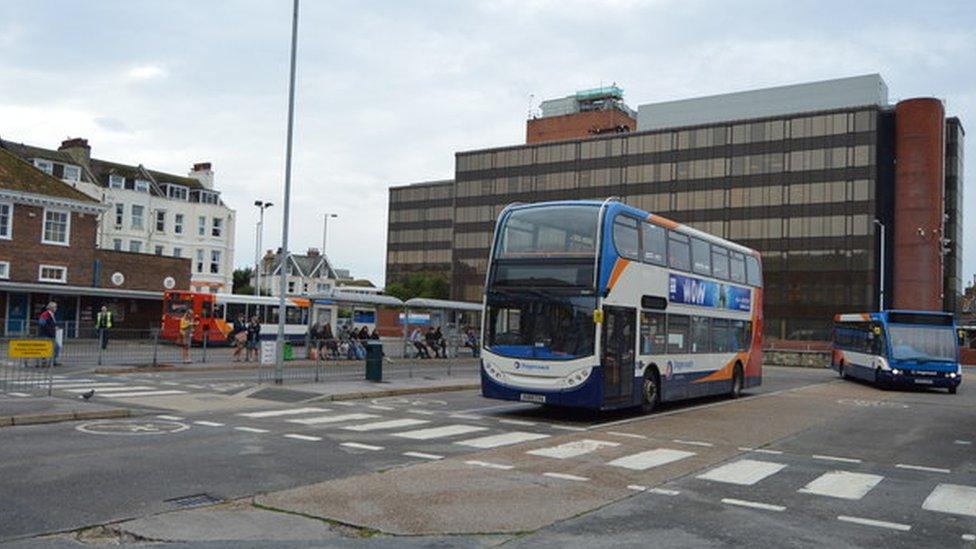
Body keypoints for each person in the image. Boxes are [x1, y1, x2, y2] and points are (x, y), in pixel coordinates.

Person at [37, 302, 59, 366]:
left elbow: (51, 324)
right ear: (51, 308)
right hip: (45, 334)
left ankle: (53, 360)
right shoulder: (45, 314)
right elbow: (42, 324)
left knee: (56, 347)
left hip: (50, 334)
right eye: (55, 307)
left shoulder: (52, 315)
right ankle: (44, 361)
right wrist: (51, 329)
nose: (56, 308)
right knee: (47, 347)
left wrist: (55, 327)